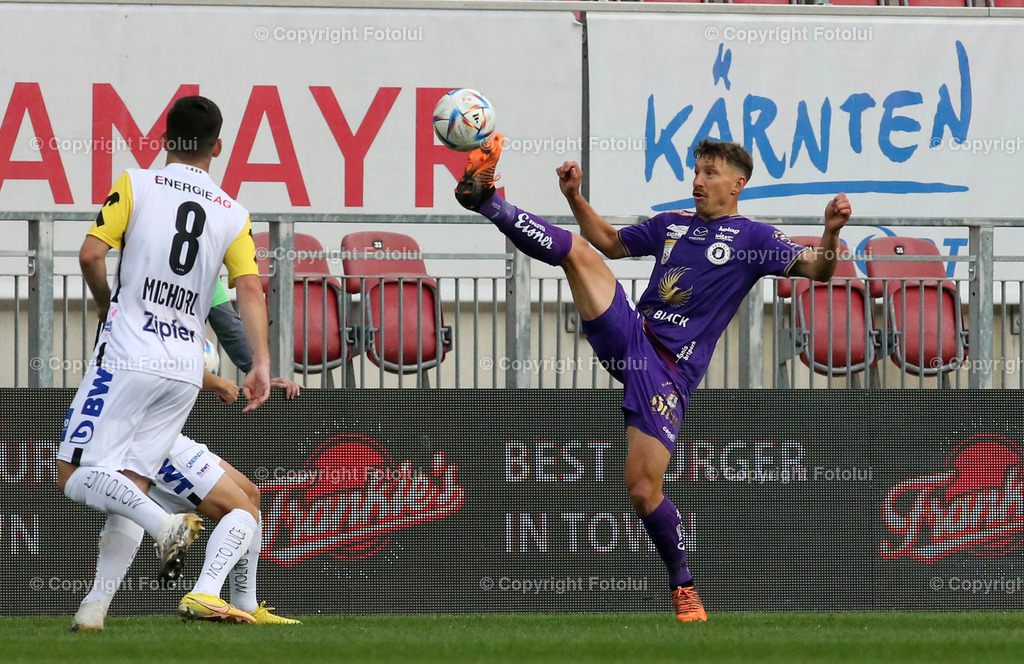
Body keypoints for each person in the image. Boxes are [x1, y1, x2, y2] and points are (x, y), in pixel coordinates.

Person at [455, 134, 851, 621]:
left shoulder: (755, 239)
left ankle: (683, 587)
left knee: (643, 489)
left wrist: (830, 233)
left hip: (668, 373)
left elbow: (820, 271)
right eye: (697, 170)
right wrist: (574, 198)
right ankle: (489, 200)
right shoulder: (672, 224)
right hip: (632, 335)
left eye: (710, 173)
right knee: (579, 252)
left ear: (738, 184)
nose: (698, 180)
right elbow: (610, 243)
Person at [56, 96, 272, 623]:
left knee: (71, 472)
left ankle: (164, 526)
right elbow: (248, 287)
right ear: (217, 147)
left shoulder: (136, 183)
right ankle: (92, 611)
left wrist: (109, 304)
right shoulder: (232, 212)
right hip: (184, 367)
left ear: (162, 139)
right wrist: (260, 362)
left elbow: (89, 254)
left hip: (129, 353)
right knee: (132, 482)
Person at [69, 283, 302, 631]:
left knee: (244, 494)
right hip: (147, 436)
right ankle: (204, 593)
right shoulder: (158, 294)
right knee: (242, 512)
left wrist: (258, 372)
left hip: (124, 429)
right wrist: (218, 382)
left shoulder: (144, 294)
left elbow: (224, 323)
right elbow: (154, 365)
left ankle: (93, 609)